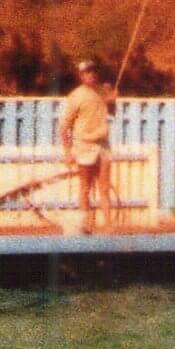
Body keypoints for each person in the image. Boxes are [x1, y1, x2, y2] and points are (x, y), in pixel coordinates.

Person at [60, 59, 116, 231]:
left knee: (104, 188)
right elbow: (64, 127)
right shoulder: (76, 96)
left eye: (93, 71)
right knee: (85, 187)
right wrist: (67, 152)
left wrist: (113, 100)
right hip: (84, 145)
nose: (91, 75)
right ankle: (86, 225)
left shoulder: (103, 90)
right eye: (86, 72)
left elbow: (112, 113)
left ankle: (108, 227)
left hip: (102, 145)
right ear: (81, 75)